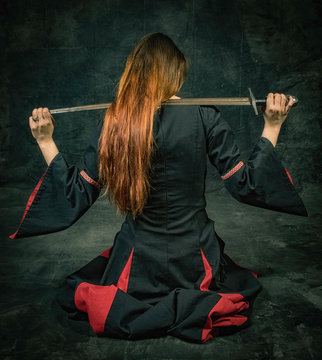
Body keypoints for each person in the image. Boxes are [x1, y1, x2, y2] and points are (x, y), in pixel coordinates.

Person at [10, 33, 307, 343]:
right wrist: (272, 126)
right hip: (195, 259)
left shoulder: (114, 122)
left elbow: (76, 194)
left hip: (136, 264)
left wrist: (45, 141)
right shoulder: (206, 115)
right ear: (174, 73)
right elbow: (246, 184)